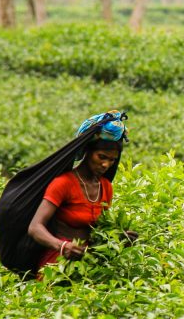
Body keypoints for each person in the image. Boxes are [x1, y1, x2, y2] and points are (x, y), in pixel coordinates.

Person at [25, 113, 136, 272]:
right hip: (57, 263)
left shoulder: (105, 187)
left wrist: (120, 238)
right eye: (102, 157)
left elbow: (99, 230)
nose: (106, 164)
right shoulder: (63, 183)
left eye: (112, 160)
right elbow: (35, 227)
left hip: (88, 264)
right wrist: (63, 246)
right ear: (87, 152)